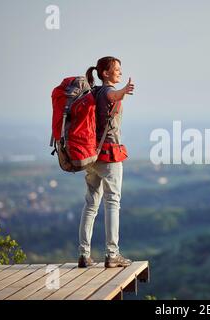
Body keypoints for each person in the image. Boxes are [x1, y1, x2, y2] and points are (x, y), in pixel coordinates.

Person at [77, 56, 134, 268]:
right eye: (116, 69)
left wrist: (122, 92)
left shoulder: (94, 92)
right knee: (113, 202)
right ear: (105, 74)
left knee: (91, 204)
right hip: (109, 156)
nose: (119, 72)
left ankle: (84, 254)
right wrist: (124, 90)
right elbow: (113, 94)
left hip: (91, 156)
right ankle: (112, 254)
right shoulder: (107, 92)